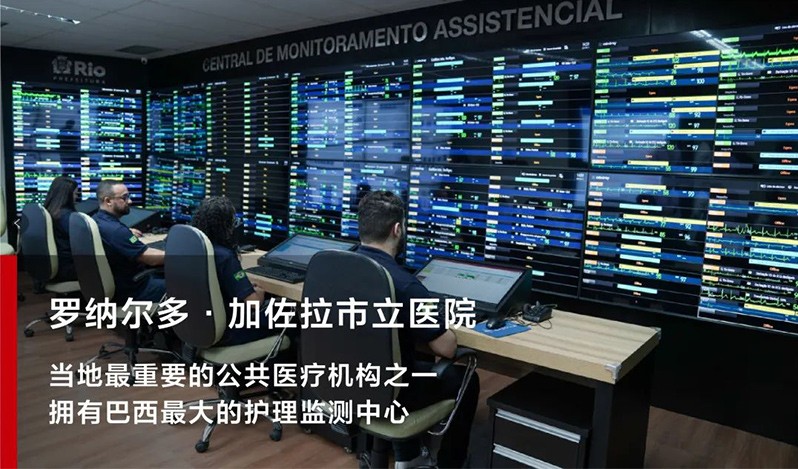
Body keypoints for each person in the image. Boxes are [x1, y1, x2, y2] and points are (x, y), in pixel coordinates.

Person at [355, 190, 479, 469]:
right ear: (397, 230)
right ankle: (450, 464)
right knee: (466, 379)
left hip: (346, 381)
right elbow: (446, 348)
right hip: (387, 391)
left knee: (411, 356)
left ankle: (408, 456)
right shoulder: (405, 285)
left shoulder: (338, 267)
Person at [191, 196, 277, 346]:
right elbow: (254, 303)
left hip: (199, 327)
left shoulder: (196, 248)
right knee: (290, 313)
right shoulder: (225, 257)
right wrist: (260, 293)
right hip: (229, 332)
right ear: (227, 226)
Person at [93, 180, 165, 303]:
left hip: (117, 283)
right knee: (187, 284)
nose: (130, 201)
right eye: (124, 197)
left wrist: (127, 233)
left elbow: (120, 237)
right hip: (135, 289)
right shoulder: (117, 231)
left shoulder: (97, 219)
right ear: (108, 201)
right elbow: (151, 259)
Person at [43, 176, 79, 282]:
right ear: (67, 195)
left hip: (56, 268)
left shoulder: (49, 212)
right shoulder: (67, 218)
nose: (76, 197)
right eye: (75, 194)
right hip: (67, 269)